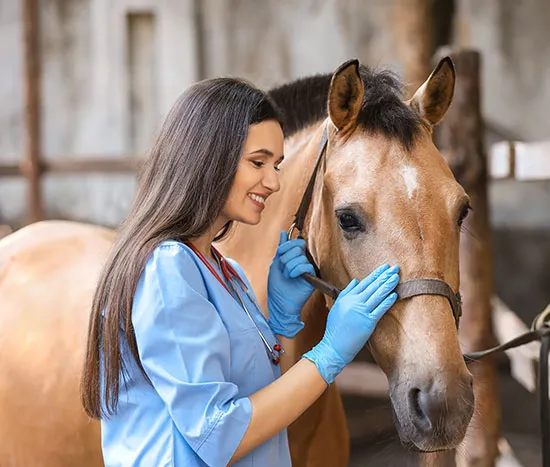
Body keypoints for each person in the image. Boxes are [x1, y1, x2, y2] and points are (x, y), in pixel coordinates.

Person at [80, 77, 400, 467]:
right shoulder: (167, 269)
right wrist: (331, 352)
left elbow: (257, 394)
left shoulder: (224, 271)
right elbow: (218, 436)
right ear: (208, 157)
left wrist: (280, 320)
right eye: (258, 162)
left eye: (277, 165)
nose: (274, 181)